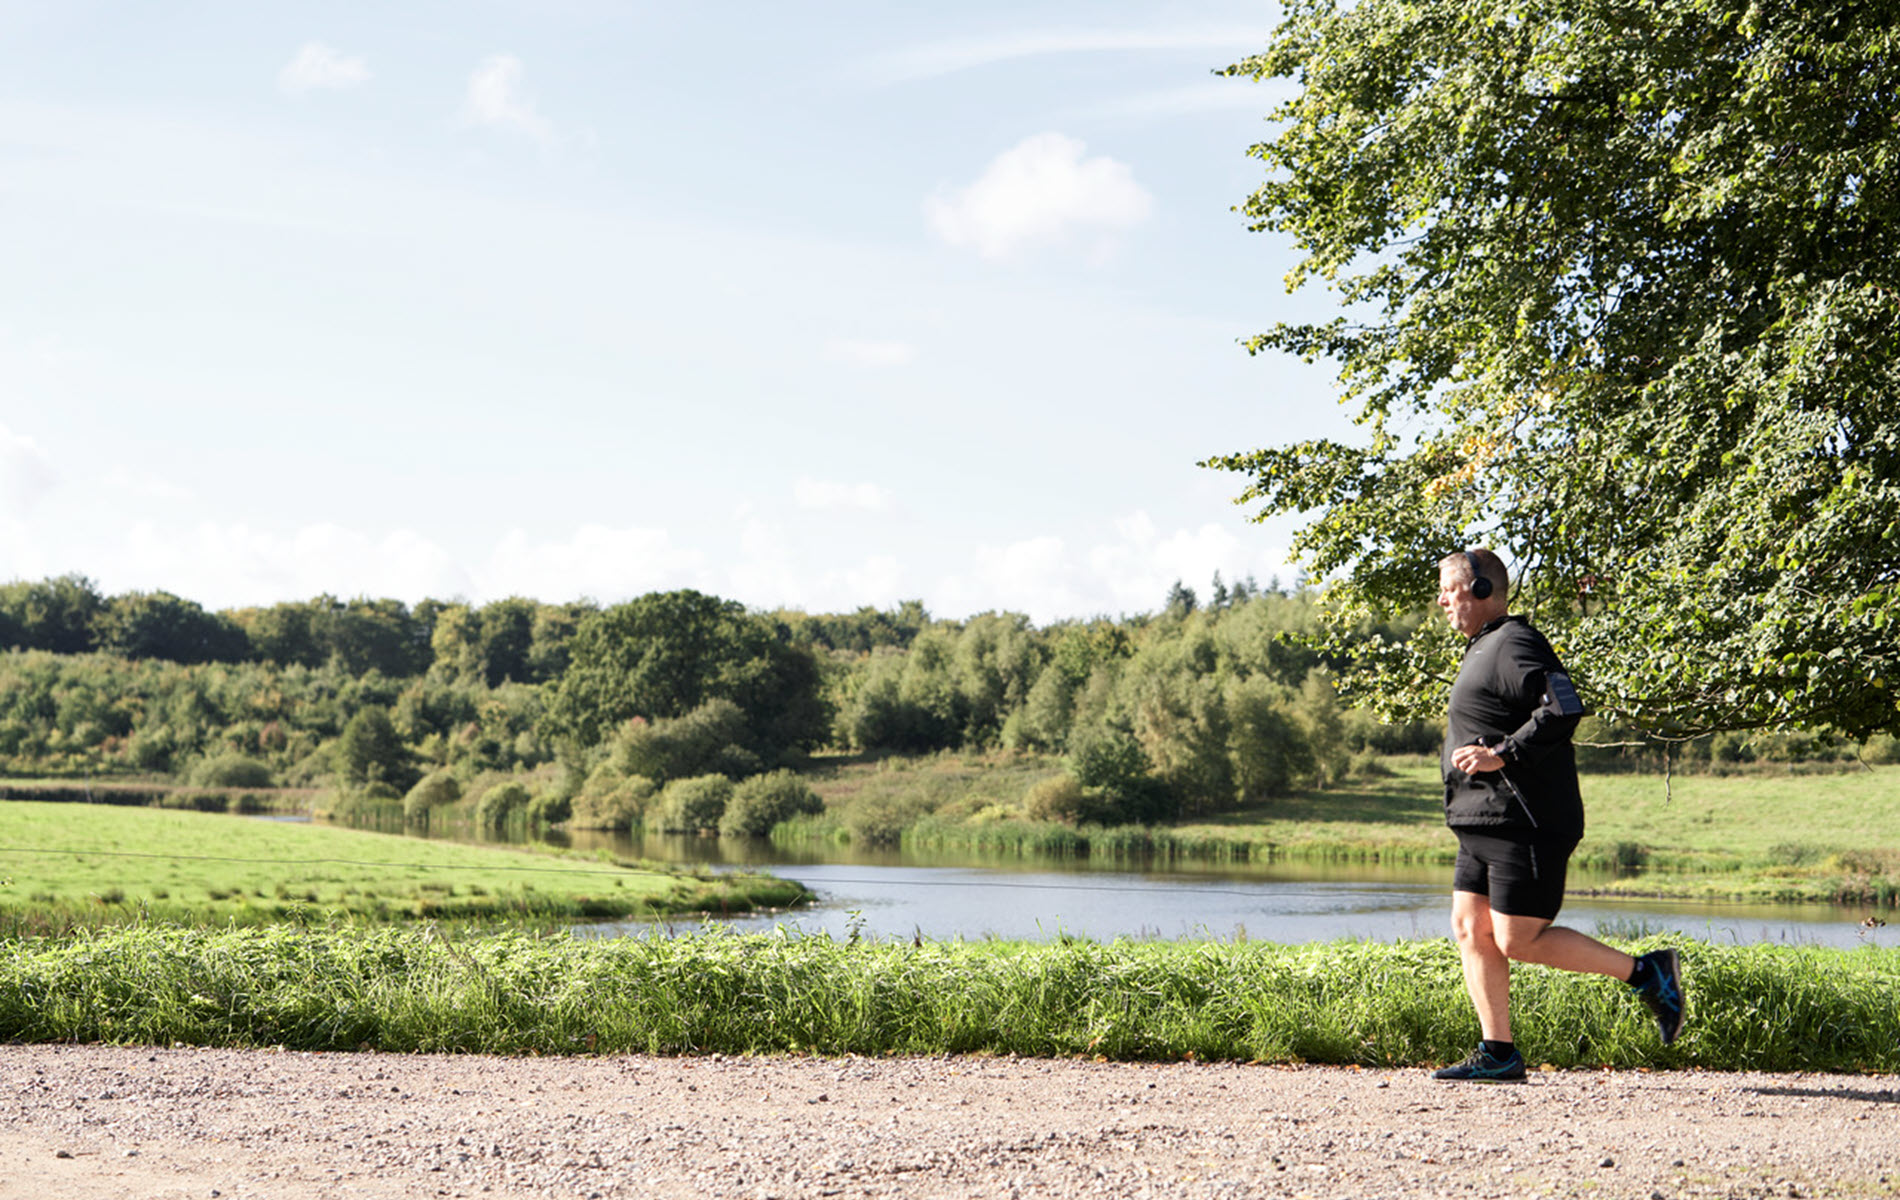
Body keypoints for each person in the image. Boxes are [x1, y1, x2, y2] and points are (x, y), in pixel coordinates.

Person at [1431, 548, 1685, 1081]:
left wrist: (1503, 753)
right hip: (1481, 820)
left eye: (1449, 590)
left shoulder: (1514, 642)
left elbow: (1563, 707)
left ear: (1481, 592)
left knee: (1517, 938)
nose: (1442, 601)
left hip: (1523, 818)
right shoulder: (1482, 648)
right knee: (1470, 929)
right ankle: (1498, 1052)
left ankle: (1648, 973)